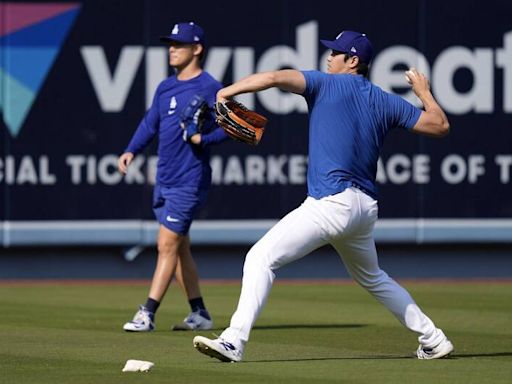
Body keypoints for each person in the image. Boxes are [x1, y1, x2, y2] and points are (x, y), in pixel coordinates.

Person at [193, 30, 453, 361]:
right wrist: (424, 93)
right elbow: (440, 125)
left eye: (337, 53)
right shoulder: (385, 100)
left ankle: (233, 341)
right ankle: (432, 338)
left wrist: (226, 91)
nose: (329, 57)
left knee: (259, 258)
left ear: (353, 61)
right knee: (373, 278)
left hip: (331, 203)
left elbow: (273, 76)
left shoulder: (324, 83)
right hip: (364, 209)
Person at [118, 22, 228, 332]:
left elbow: (234, 127)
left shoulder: (210, 87)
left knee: (166, 244)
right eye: (171, 43)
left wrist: (202, 140)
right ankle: (200, 313)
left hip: (190, 179)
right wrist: (131, 150)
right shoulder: (165, 87)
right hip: (164, 178)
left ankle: (147, 313)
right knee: (179, 248)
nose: (172, 48)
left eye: (179, 44)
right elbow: (150, 122)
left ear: (197, 49)